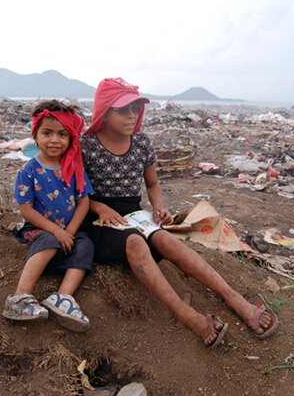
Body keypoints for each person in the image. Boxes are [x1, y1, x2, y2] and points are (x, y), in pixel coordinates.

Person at [81, 78, 279, 346]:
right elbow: (74, 193)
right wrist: (99, 206)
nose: (132, 115)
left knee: (165, 239)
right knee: (136, 242)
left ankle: (234, 298)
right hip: (98, 219)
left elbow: (152, 183)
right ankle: (187, 315)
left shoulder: (140, 142)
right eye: (123, 109)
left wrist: (158, 206)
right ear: (104, 111)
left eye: (136, 108)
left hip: (133, 214)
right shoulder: (87, 146)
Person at [3, 100, 94, 333]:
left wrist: (70, 232)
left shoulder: (74, 168)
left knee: (85, 246)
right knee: (49, 241)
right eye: (47, 133)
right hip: (40, 229)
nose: (55, 140)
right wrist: (56, 231)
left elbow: (84, 201)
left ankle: (62, 298)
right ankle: (20, 296)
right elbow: (26, 209)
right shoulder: (29, 170)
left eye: (62, 134)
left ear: (71, 138)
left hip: (69, 230)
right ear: (35, 136)